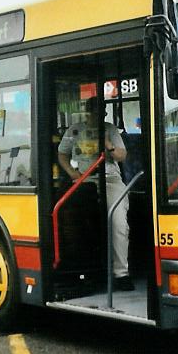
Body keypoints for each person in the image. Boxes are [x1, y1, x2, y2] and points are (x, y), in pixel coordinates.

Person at [57, 96, 134, 291]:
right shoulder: (75, 130)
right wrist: (73, 174)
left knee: (118, 222)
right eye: (92, 111)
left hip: (109, 179)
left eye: (99, 111)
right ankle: (83, 269)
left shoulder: (110, 129)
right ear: (86, 112)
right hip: (84, 179)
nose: (95, 115)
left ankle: (121, 273)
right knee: (75, 222)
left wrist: (107, 142)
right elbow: (62, 153)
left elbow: (122, 156)